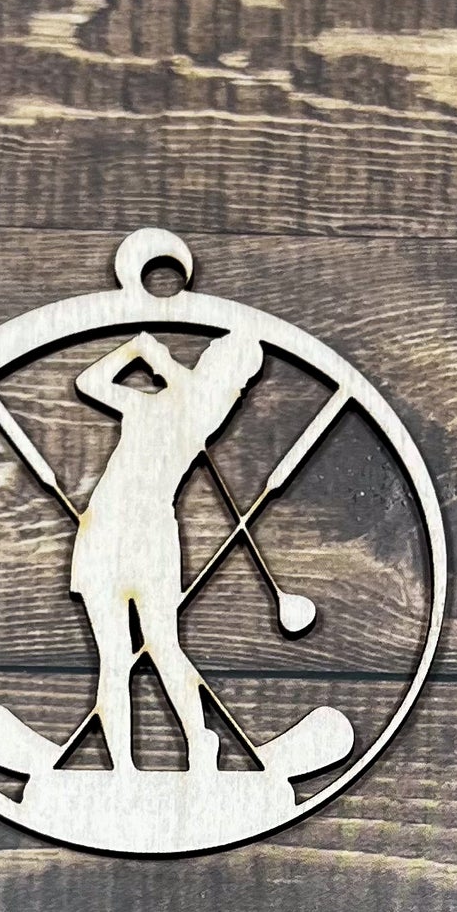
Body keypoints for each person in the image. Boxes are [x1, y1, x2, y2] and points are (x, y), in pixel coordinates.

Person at [69, 327, 263, 772]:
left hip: (150, 538)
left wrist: (156, 357)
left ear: (232, 379)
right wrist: (131, 348)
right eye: (211, 350)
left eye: (218, 355)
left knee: (162, 646)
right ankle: (121, 767)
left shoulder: (208, 408)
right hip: (103, 531)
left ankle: (199, 742)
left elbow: (193, 391)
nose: (207, 355)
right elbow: (89, 383)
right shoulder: (151, 405)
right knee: (113, 661)